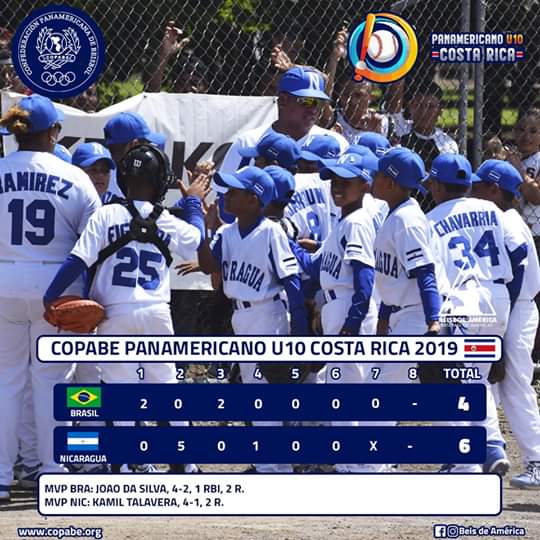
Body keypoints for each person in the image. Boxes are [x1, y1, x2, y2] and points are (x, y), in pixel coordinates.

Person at [43, 144, 204, 474]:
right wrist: (193, 204)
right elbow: (198, 239)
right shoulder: (168, 220)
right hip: (157, 311)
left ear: (123, 178)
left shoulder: (107, 214)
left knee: (121, 391)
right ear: (160, 182)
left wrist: (50, 296)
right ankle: (185, 463)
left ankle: (128, 465)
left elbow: (78, 261)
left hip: (115, 313)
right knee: (166, 387)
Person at [0, 95, 101, 501]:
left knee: (7, 383)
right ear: (54, 132)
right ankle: (53, 472)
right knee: (51, 382)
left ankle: (3, 476)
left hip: (4, 280)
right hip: (56, 289)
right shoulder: (75, 177)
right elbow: (92, 243)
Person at [197, 166, 307, 473]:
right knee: (253, 392)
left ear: (254, 199)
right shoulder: (227, 232)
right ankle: (266, 463)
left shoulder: (271, 231)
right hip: (241, 317)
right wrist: (203, 225)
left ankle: (279, 465)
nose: (227, 195)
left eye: (235, 191)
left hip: (267, 314)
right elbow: (208, 265)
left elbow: (292, 284)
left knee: (270, 392)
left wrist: (301, 336)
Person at [425, 154, 520, 474]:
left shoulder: (430, 220)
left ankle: (461, 458)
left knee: (451, 380)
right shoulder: (492, 209)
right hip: (497, 297)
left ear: (437, 185)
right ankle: (492, 447)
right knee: (476, 379)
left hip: (460, 302)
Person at [471, 159, 540, 488]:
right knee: (491, 382)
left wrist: (499, 336)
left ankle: (537, 459)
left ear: (495, 189)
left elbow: (516, 278)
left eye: (480, 185)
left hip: (516, 310)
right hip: (510, 309)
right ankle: (482, 451)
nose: (473, 190)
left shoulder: (507, 222)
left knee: (514, 385)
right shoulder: (503, 217)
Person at [220, 66, 348, 175]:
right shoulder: (248, 143)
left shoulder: (336, 145)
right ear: (282, 100)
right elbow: (224, 197)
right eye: (307, 101)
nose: (314, 109)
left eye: (319, 102)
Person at [101, 112, 167, 201]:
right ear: (134, 145)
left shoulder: (97, 175)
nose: (150, 148)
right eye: (146, 143)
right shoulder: (137, 182)